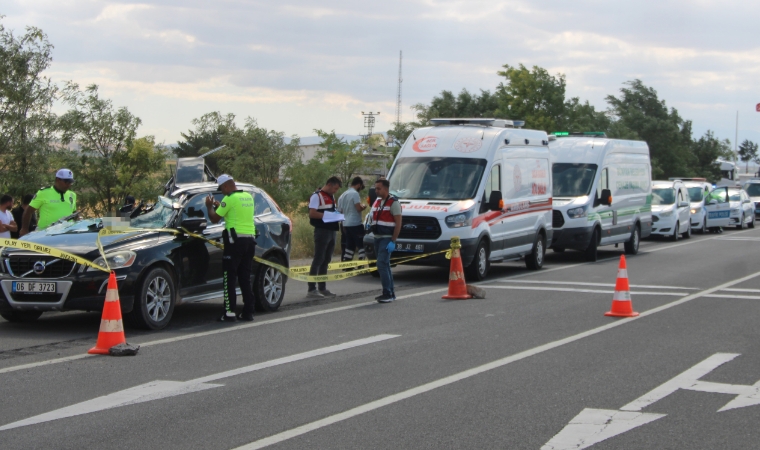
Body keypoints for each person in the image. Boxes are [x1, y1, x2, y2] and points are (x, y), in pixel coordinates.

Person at [205, 174, 257, 322]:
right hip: (249, 241)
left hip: (234, 243)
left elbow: (214, 219)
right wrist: (219, 205)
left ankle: (229, 312)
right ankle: (248, 312)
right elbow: (235, 213)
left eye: (221, 188)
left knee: (229, 278)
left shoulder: (229, 199)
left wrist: (209, 206)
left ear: (226, 186)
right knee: (245, 278)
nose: (221, 191)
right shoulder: (247, 196)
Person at [307, 176, 342, 298]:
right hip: (322, 231)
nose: (335, 191)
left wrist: (337, 215)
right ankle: (312, 289)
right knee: (319, 259)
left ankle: (322, 288)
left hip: (332, 230)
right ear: (330, 185)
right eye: (335, 188)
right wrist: (328, 216)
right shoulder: (317, 196)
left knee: (326, 260)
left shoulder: (331, 197)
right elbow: (312, 213)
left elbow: (332, 210)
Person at [370, 178, 402, 303]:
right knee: (385, 265)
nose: (376, 191)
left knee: (381, 264)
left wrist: (393, 240)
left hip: (386, 238)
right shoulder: (377, 202)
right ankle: (390, 292)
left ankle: (387, 293)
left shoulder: (393, 202)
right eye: (375, 188)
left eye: (379, 188)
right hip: (377, 238)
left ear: (386, 189)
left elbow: (398, 222)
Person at [20, 168, 77, 236]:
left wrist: (78, 217)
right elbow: (29, 211)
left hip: (66, 234)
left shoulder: (72, 195)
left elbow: (73, 212)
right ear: (58, 180)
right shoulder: (44, 193)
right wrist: (24, 229)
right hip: (46, 234)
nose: (69, 185)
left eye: (71, 182)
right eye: (67, 182)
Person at [337, 177, 367, 265]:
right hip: (355, 223)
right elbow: (358, 208)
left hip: (346, 224)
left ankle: (347, 265)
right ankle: (361, 265)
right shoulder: (355, 194)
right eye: (360, 188)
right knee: (361, 245)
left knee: (349, 246)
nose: (360, 190)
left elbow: (341, 210)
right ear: (358, 185)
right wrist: (364, 206)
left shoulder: (344, 194)